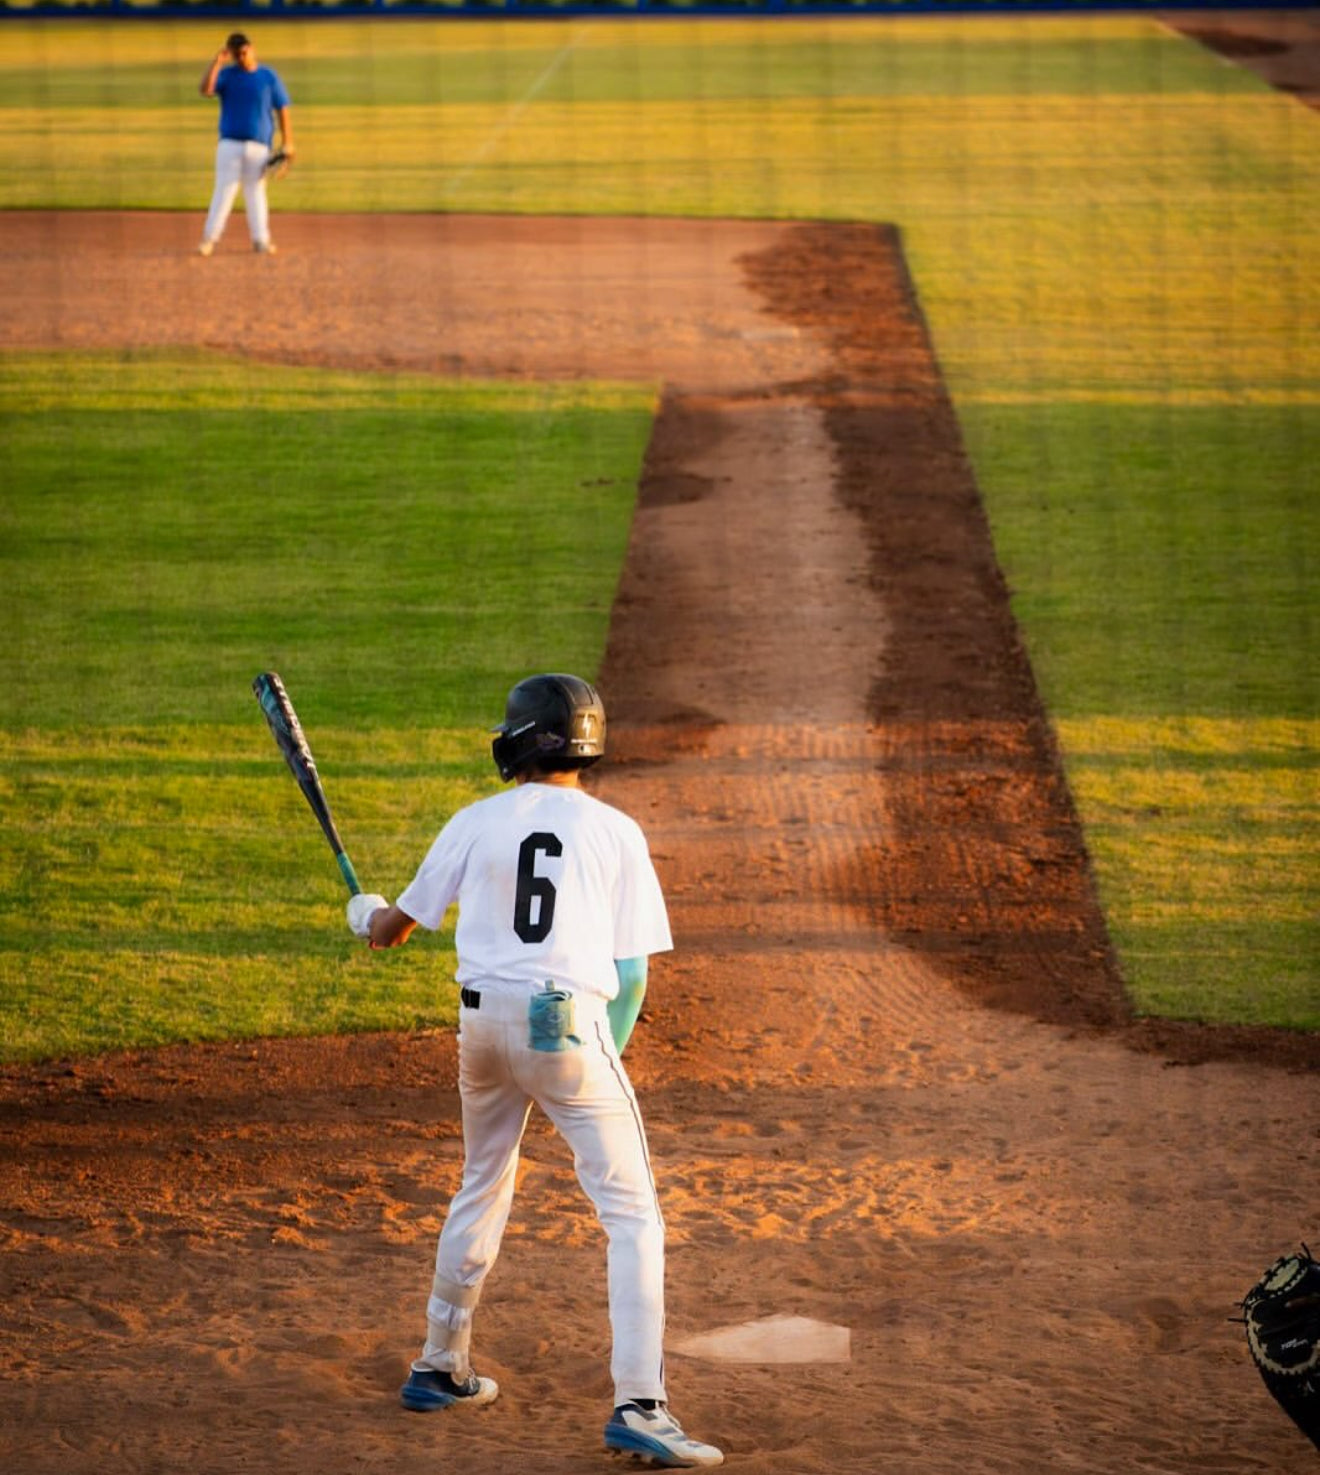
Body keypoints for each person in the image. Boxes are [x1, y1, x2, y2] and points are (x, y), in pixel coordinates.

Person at [346, 674, 723, 1469]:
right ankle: (640, 1404)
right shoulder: (616, 830)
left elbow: (391, 930)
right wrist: (593, 1066)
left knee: (482, 1178)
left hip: (481, 1025)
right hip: (568, 1021)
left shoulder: (474, 821)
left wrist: (362, 913)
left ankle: (440, 1361)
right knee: (632, 1212)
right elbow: (635, 974)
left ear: (519, 741)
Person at [197, 33, 294, 257]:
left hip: (259, 148)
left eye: (244, 52)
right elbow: (206, 90)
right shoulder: (227, 75)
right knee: (224, 192)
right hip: (229, 145)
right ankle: (209, 240)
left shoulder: (268, 76)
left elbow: (283, 109)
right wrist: (217, 62)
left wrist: (288, 142)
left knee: (256, 193)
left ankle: (261, 241)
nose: (241, 57)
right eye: (236, 54)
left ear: (252, 49)